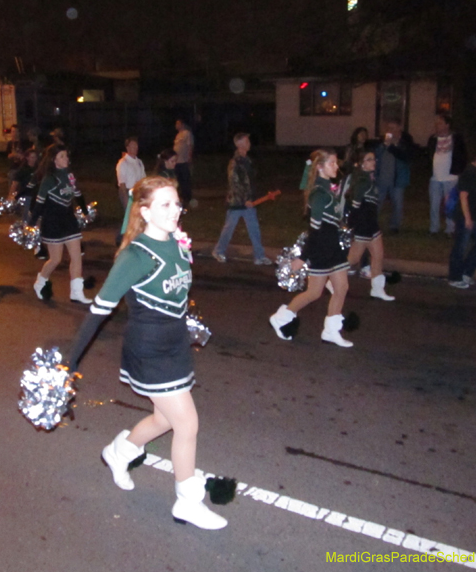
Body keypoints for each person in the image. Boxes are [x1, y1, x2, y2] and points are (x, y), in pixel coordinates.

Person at [67, 175, 227, 530]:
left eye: (177, 203)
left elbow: (176, 295)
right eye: (165, 205)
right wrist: (71, 359)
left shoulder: (178, 244)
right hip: (149, 351)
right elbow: (99, 309)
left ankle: (118, 453)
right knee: (187, 423)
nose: (175, 211)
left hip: (175, 346)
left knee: (164, 419)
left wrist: (188, 324)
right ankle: (188, 502)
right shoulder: (136, 257)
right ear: (145, 211)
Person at [269, 149, 353, 347]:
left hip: (334, 248)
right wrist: (304, 257)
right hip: (321, 250)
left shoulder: (328, 190)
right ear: (320, 168)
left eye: (336, 163)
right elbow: (314, 231)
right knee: (314, 292)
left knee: (342, 287)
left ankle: (331, 331)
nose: (336, 166)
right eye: (331, 163)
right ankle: (281, 318)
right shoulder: (319, 194)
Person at [28, 145, 92, 304]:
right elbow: (39, 203)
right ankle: (40, 281)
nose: (66, 158)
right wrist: (30, 224)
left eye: (66, 155)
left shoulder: (69, 175)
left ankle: (76, 292)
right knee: (55, 259)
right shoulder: (49, 179)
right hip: (52, 222)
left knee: (76, 257)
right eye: (62, 156)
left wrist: (85, 211)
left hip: (69, 220)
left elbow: (78, 194)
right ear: (54, 160)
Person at [211, 133, 272, 266]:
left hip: (248, 201)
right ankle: (218, 251)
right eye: (246, 140)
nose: (249, 142)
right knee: (229, 228)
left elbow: (250, 181)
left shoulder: (247, 160)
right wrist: (245, 200)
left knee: (254, 228)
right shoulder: (235, 162)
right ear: (239, 144)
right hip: (237, 202)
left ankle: (259, 256)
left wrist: (253, 196)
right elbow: (234, 183)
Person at [346, 151, 395, 301]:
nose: (373, 161)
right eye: (369, 159)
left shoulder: (369, 178)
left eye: (374, 159)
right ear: (361, 164)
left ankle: (377, 289)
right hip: (364, 226)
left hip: (372, 224)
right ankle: (327, 278)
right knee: (353, 259)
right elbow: (355, 207)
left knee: (378, 255)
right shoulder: (362, 181)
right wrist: (351, 226)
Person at [448, 146, 476, 289]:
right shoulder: (468, 173)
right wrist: (467, 218)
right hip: (466, 216)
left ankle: (466, 272)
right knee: (460, 247)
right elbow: (463, 196)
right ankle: (455, 277)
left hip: (475, 216)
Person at [427, 114, 467, 236]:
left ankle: (450, 229)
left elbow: (463, 155)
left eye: (439, 123)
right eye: (436, 123)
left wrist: (458, 170)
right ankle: (434, 228)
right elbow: (428, 155)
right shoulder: (433, 139)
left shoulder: (456, 138)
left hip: (450, 178)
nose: (437, 125)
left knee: (450, 205)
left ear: (447, 125)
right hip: (435, 178)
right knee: (434, 204)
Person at [374, 120, 414, 234]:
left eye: (393, 128)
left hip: (398, 179)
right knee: (377, 203)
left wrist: (392, 146)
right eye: (388, 128)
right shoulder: (383, 142)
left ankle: (394, 226)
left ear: (399, 128)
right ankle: (373, 224)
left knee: (397, 203)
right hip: (382, 178)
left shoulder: (405, 141)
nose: (390, 130)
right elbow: (375, 155)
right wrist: (384, 145)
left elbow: (406, 157)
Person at [116, 137, 146, 209]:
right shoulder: (123, 163)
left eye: (136, 145)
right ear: (127, 148)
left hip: (138, 192)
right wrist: (126, 200)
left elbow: (144, 179)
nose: (135, 148)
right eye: (133, 145)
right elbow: (122, 184)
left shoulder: (139, 162)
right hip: (128, 192)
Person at [173, 119, 194, 206]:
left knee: (185, 179)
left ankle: (187, 197)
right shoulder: (178, 135)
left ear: (182, 124)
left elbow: (190, 145)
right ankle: (181, 196)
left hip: (184, 160)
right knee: (179, 180)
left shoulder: (187, 133)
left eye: (178, 124)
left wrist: (189, 156)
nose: (176, 125)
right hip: (177, 162)